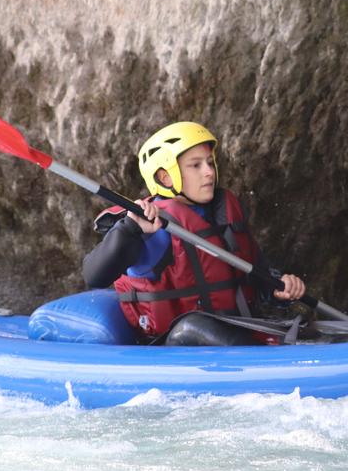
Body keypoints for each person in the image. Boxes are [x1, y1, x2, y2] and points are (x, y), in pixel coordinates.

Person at [83, 121, 306, 344]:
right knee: (193, 328)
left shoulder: (224, 214)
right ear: (165, 177)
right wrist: (130, 229)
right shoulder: (149, 226)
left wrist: (278, 289)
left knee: (301, 326)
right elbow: (95, 275)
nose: (209, 172)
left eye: (210, 163)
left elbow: (257, 275)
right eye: (196, 165)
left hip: (238, 332)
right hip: (175, 347)